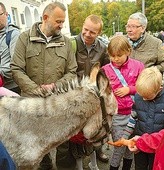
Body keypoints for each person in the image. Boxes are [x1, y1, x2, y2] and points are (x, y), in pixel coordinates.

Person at [10, 2, 77, 170]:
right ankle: (44, 166)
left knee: (62, 142)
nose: (62, 25)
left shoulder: (66, 43)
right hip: (32, 104)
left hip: (59, 102)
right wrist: (35, 89)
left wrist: (55, 86)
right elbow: (16, 68)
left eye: (63, 21)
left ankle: (63, 167)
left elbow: (72, 71)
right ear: (45, 18)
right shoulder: (24, 39)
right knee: (36, 142)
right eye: (59, 21)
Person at [56, 14, 109, 170]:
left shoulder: (102, 48)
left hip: (92, 97)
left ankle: (97, 152)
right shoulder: (71, 44)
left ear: (98, 33)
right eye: (85, 29)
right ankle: (74, 161)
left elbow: (104, 72)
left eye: (92, 32)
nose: (87, 34)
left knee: (94, 128)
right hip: (73, 95)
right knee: (75, 132)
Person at [101, 35, 145, 170]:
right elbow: (102, 92)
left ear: (128, 51)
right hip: (117, 116)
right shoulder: (105, 70)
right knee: (119, 147)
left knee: (130, 146)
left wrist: (130, 89)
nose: (115, 59)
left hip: (135, 113)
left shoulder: (138, 66)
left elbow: (145, 88)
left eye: (119, 55)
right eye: (112, 56)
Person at [123, 67, 164, 170]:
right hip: (140, 141)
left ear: (159, 89)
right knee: (139, 166)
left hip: (157, 147)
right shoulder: (138, 97)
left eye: (147, 97)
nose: (143, 99)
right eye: (141, 95)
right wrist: (125, 135)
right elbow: (133, 117)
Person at [0, 2, 20, 94]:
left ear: (6, 14)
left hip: (11, 87)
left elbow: (16, 64)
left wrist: (1, 74)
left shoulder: (13, 34)